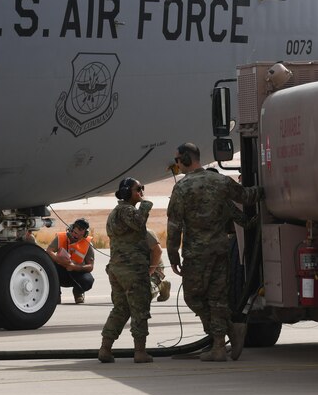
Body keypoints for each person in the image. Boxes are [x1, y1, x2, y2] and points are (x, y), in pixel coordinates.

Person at [166, 142, 263, 362]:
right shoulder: (221, 181)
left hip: (197, 253)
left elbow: (174, 226)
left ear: (187, 159)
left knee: (193, 297)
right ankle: (221, 344)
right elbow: (247, 197)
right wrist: (268, 189)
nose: (177, 165)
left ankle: (225, 333)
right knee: (217, 298)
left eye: (178, 161)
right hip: (220, 249)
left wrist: (173, 255)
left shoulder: (182, 188)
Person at [97, 177, 154, 364]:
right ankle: (140, 351)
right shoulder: (127, 211)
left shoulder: (116, 212)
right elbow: (139, 223)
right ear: (129, 191)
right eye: (138, 188)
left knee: (120, 309)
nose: (141, 191)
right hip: (132, 270)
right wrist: (145, 204)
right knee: (140, 310)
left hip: (117, 269)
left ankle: (105, 348)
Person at [46, 218, 95, 303]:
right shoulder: (61, 238)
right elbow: (49, 251)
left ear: (85, 235)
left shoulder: (87, 244)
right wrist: (58, 260)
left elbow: (90, 266)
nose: (76, 236)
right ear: (71, 229)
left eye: (80, 235)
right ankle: (56, 294)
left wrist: (74, 267)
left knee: (88, 281)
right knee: (49, 268)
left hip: (76, 272)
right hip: (60, 271)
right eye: (75, 233)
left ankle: (78, 292)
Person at [146, 231, 171, 302]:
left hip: (152, 270)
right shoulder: (119, 232)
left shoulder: (147, 232)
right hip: (132, 270)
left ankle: (161, 285)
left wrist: (150, 271)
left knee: (145, 293)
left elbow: (158, 251)